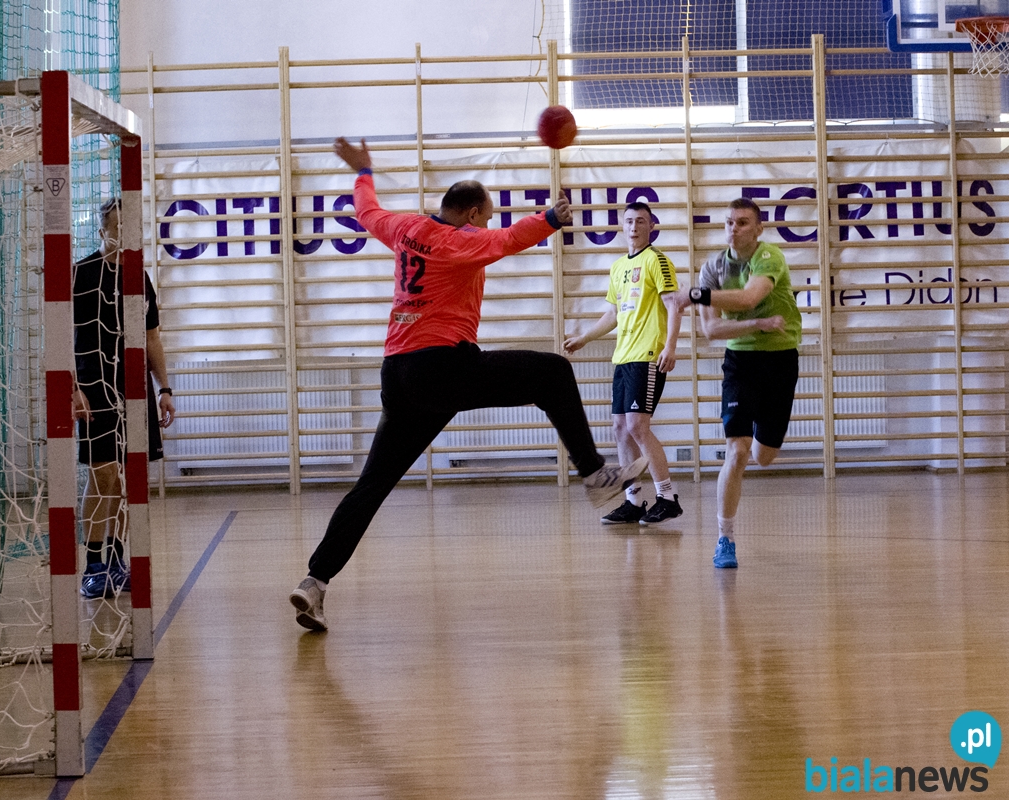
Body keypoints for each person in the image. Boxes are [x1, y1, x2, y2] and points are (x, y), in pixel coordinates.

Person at [288, 137, 647, 631]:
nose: (487, 225)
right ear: (473, 213)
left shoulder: (405, 228)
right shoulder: (460, 242)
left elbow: (368, 212)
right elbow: (506, 240)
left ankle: (315, 582)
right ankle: (594, 474)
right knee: (553, 372)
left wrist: (363, 171)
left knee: (371, 487)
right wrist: (549, 219)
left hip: (397, 374)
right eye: (485, 216)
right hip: (441, 368)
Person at [678, 197, 801, 568]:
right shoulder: (713, 267)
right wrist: (756, 325)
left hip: (780, 359)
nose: (734, 228)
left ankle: (762, 436)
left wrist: (695, 295)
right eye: (729, 222)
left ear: (758, 229)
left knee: (763, 457)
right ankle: (725, 538)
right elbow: (712, 329)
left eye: (743, 222)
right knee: (737, 450)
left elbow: (749, 298)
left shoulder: (769, 257)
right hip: (740, 363)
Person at [73, 198, 176, 598]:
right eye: (117, 228)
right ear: (103, 232)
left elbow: (152, 337)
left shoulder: (139, 276)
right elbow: (61, 337)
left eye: (130, 229)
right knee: (103, 476)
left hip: (134, 388)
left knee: (128, 479)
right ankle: (93, 565)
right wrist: (72, 388)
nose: (125, 236)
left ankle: (116, 560)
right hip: (94, 387)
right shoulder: (82, 273)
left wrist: (164, 388)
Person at [563, 201, 682, 526]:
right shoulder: (618, 267)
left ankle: (667, 497)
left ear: (651, 226)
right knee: (620, 428)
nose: (633, 227)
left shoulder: (657, 260)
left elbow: (674, 305)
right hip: (624, 357)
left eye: (640, 221)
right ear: (622, 225)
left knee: (638, 426)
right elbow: (614, 314)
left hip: (647, 355)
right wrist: (585, 337)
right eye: (629, 221)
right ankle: (633, 501)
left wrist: (670, 346)